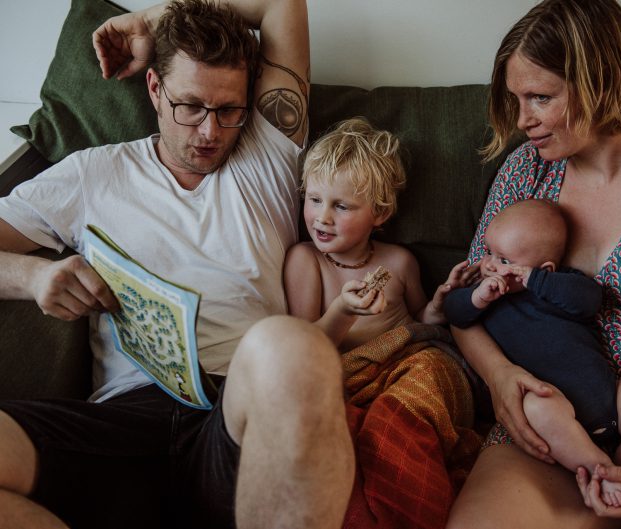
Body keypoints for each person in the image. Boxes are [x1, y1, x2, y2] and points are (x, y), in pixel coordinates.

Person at [0, 1, 356, 528]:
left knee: (294, 345)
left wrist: (151, 20)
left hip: (232, 415)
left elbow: (281, 3)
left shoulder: (268, 152)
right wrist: (33, 276)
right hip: (121, 422)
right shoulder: (92, 175)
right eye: (189, 105)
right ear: (154, 88)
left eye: (229, 110)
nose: (209, 132)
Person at [446, 0, 621, 527]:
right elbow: (466, 304)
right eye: (517, 99)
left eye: (541, 97)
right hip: (550, 427)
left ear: (601, 82)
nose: (523, 120)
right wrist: (500, 377)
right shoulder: (525, 173)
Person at [443, 198, 621, 508]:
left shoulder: (557, 288)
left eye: (503, 259)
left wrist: (537, 281)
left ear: (543, 270)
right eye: (489, 252)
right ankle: (598, 470)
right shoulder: (484, 296)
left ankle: (620, 469)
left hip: (606, 393)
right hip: (550, 400)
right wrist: (477, 298)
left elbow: (590, 299)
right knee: (538, 408)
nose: (488, 264)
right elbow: (453, 313)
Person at [284, 117, 473, 347]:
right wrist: (343, 310)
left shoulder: (400, 261)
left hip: (410, 354)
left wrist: (437, 308)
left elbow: (420, 319)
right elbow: (305, 344)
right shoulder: (305, 260)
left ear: (379, 213)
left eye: (341, 206)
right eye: (315, 200)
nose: (323, 218)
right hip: (350, 364)